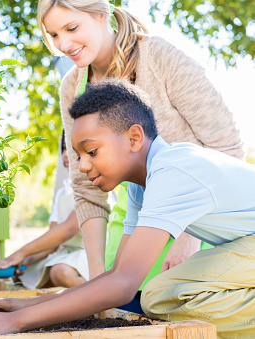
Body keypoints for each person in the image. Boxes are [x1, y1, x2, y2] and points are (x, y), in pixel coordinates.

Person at [0, 79, 255, 338]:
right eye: (78, 156)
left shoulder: (172, 171)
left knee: (158, 295)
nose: (83, 166)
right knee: (156, 295)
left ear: (133, 138)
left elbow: (123, 286)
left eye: (91, 151)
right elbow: (115, 275)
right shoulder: (141, 183)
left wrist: (16, 323)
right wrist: (27, 307)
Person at [38, 0, 243, 289]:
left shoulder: (158, 57)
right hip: (133, 217)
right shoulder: (71, 88)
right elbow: (85, 189)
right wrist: (95, 277)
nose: (64, 44)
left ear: (100, 15)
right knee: (125, 309)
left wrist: (188, 238)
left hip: (199, 220)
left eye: (71, 28)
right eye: (54, 35)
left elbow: (227, 146)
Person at [0, 132, 88, 289]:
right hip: (68, 256)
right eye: (63, 148)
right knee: (25, 278)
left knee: (59, 273)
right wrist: (24, 261)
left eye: (71, 149)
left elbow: (68, 230)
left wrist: (21, 252)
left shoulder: (92, 185)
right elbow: (52, 242)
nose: (65, 154)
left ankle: (102, 297)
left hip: (90, 256)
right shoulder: (63, 192)